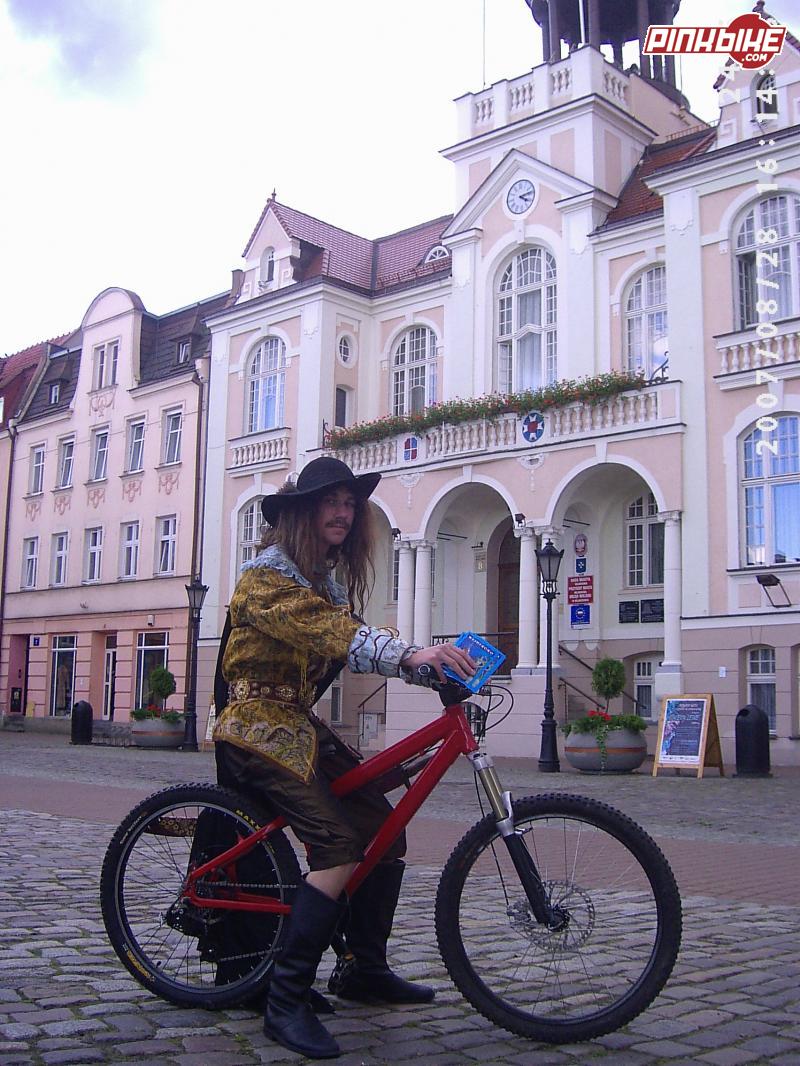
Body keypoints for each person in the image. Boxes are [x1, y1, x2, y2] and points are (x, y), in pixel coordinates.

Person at [213, 456, 475, 1060]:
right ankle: (284, 1001)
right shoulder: (265, 580)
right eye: (330, 502)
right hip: (255, 724)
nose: (342, 512)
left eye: (350, 503)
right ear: (302, 513)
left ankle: (363, 967)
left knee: (382, 829)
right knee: (337, 844)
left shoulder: (320, 585)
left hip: (298, 724)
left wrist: (432, 667)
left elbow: (355, 640)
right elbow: (333, 634)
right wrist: (412, 655)